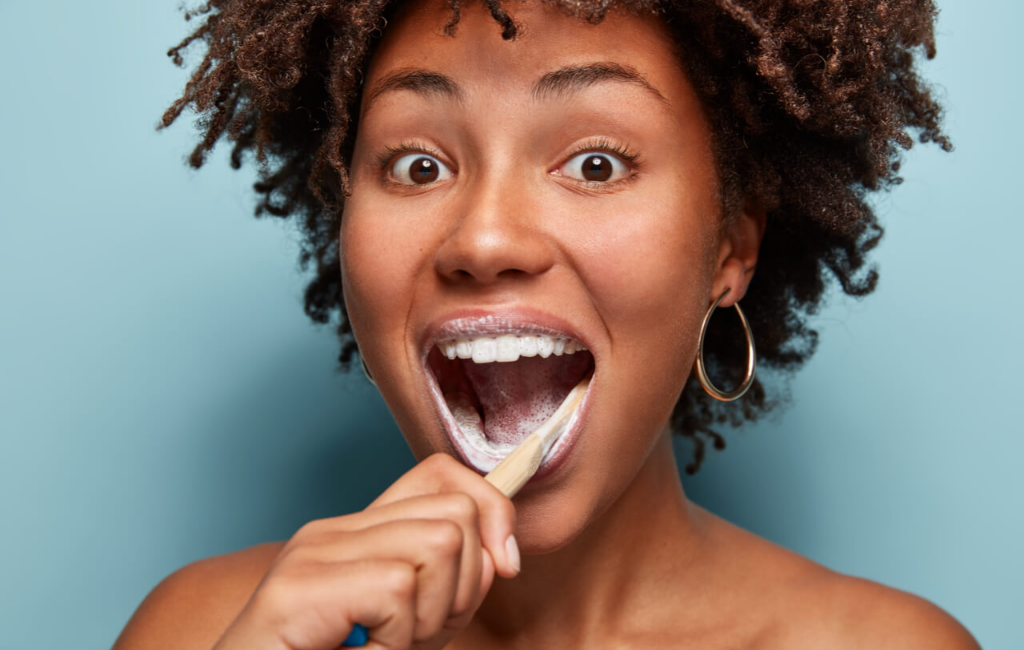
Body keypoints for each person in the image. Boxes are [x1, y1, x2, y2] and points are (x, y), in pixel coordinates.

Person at [114, 0, 980, 648]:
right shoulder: (204, 629)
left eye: (595, 163)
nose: (483, 239)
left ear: (730, 248)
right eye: (417, 165)